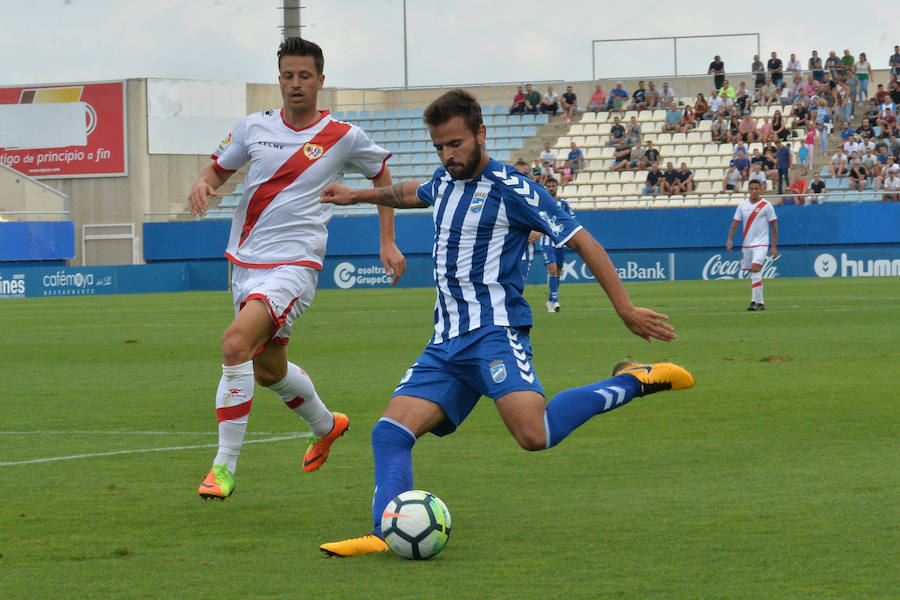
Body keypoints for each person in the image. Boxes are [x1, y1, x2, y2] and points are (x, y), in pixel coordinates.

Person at [317, 89, 694, 557]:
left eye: (455, 144)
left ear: (480, 134)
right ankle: (386, 531)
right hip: (445, 344)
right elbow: (411, 192)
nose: (447, 155)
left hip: (495, 334)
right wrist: (356, 194)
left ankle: (635, 380)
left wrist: (625, 308)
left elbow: (583, 241)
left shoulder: (513, 190)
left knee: (534, 436)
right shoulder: (445, 180)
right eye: (438, 146)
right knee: (389, 432)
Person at [187, 37, 406, 500]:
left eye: (304, 76)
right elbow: (216, 172)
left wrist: (386, 239)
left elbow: (381, 175)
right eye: (288, 75)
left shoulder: (342, 136)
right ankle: (327, 426)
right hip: (245, 262)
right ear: (280, 79)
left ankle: (222, 469)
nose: (295, 84)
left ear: (320, 81)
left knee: (234, 344)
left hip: (295, 265)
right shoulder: (253, 128)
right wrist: (202, 186)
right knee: (267, 371)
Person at [726, 179, 778, 311]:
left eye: (756, 189)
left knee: (755, 268)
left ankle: (754, 301)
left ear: (761, 190)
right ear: (748, 190)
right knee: (754, 273)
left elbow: (774, 226)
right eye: (752, 189)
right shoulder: (742, 205)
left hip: (761, 244)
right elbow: (735, 224)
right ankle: (761, 302)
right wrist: (730, 239)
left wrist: (773, 246)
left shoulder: (766, 206)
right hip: (747, 244)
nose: (754, 191)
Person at [539, 177, 574, 312]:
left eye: (553, 185)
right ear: (546, 188)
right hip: (547, 242)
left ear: (557, 187)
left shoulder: (563, 203)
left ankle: (549, 300)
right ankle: (556, 301)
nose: (551, 188)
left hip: (560, 243)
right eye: (549, 186)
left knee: (558, 273)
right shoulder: (541, 203)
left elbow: (571, 219)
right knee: (552, 270)